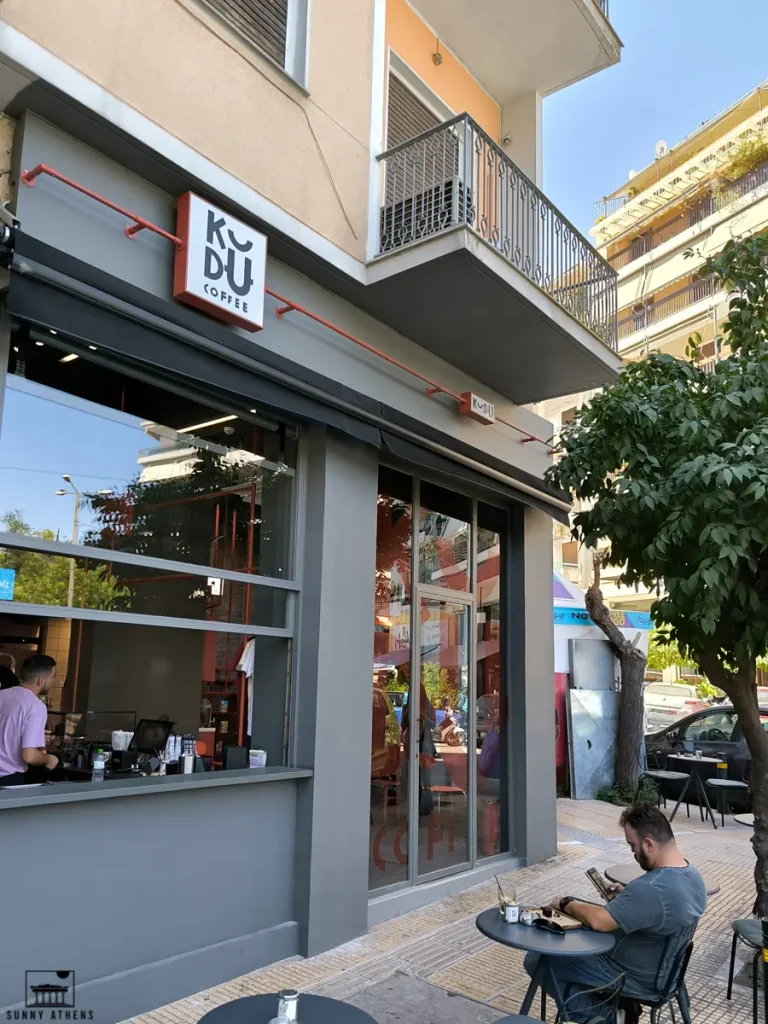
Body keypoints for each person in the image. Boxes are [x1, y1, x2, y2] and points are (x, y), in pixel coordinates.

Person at [529, 803, 707, 1019]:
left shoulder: (651, 888)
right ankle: (616, 1008)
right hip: (667, 973)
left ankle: (610, 1017)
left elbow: (600, 921)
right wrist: (626, 900)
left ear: (649, 844)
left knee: (539, 960)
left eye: (633, 846)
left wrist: (565, 902)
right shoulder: (694, 876)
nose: (632, 852)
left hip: (631, 974)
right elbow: (659, 910)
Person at [0, 654, 59, 786]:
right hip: (8, 780)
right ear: (41, 681)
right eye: (52, 677)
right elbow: (29, 756)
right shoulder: (36, 706)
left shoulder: (2, 695)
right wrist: (48, 759)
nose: (53, 681)